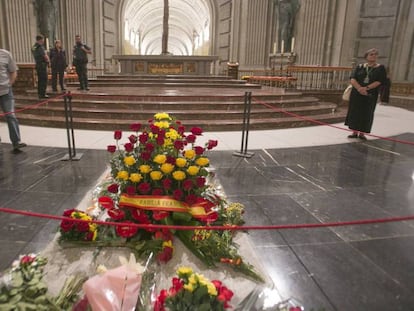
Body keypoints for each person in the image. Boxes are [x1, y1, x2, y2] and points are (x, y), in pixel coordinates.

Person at [345, 48, 387, 140]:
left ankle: (362, 133)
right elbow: (352, 78)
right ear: (366, 56)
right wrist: (359, 88)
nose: (374, 56)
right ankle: (354, 132)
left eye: (375, 54)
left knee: (367, 112)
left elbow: (379, 81)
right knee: (355, 111)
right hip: (357, 93)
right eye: (371, 54)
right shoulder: (360, 66)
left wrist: (366, 88)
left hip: (370, 94)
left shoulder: (380, 68)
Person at [0, 49, 27, 152]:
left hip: (6, 91)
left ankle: (16, 142)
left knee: (10, 115)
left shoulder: (5, 54)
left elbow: (13, 71)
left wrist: (10, 84)